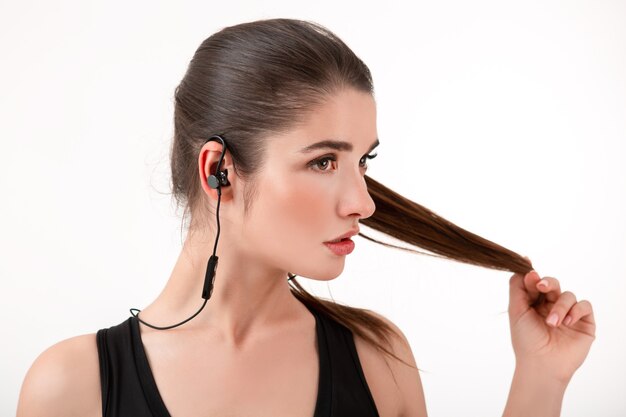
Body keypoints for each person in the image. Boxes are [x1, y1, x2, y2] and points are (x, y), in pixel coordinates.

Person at [16, 18, 595, 417]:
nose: (363, 203)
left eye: (362, 161)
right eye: (323, 161)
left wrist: (541, 380)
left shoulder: (376, 359)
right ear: (219, 170)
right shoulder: (73, 386)